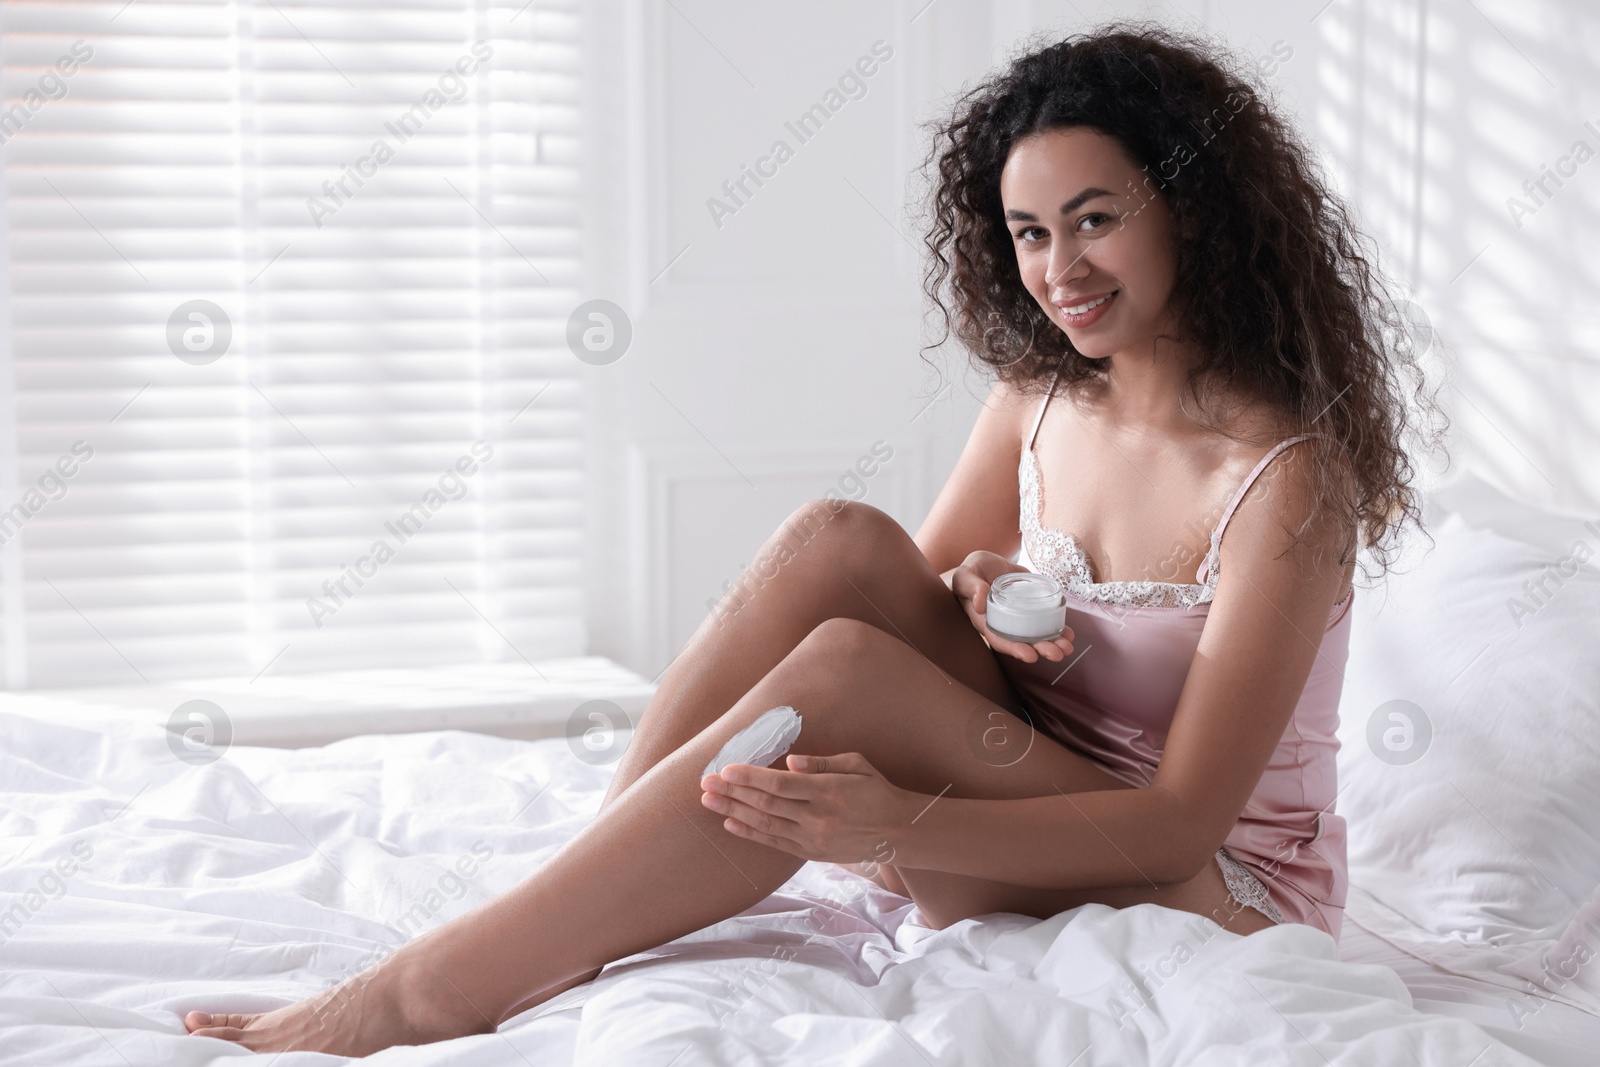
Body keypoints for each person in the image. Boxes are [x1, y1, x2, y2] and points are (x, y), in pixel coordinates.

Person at [183, 17, 1444, 1054]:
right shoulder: (1041, 396)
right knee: (838, 537)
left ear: (1195, 211)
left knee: (842, 677)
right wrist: (986, 588)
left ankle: (427, 992)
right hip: (1030, 774)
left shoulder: (1287, 476)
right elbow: (917, 599)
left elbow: (1175, 823)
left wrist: (887, 824)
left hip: (1202, 878)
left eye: (1096, 217)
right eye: (1028, 232)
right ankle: (583, 886)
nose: (1058, 267)